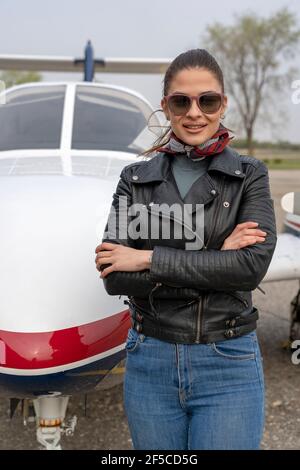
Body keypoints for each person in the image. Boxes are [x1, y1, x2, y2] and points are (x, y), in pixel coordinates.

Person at [94, 49, 277, 450]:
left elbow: (249, 270)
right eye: (181, 101)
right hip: (150, 362)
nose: (195, 113)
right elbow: (114, 276)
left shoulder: (249, 175)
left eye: (207, 100)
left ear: (222, 104)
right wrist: (217, 255)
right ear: (166, 106)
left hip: (227, 360)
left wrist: (147, 257)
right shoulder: (135, 179)